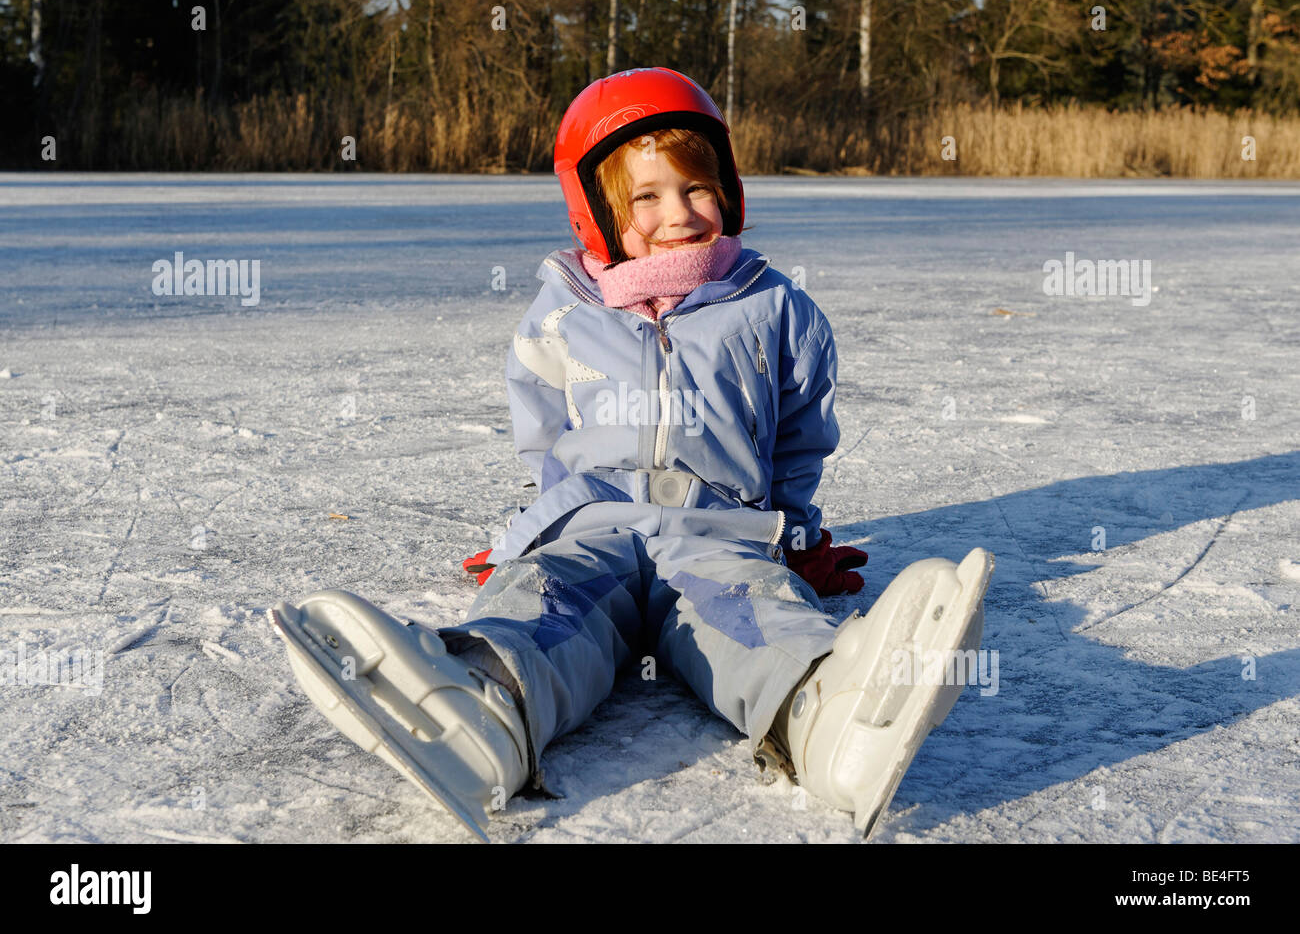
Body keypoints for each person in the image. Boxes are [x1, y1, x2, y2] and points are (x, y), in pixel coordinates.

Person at [269, 68, 992, 843]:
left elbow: (801, 433)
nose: (678, 213)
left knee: (752, 614)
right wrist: (535, 528)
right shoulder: (563, 312)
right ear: (598, 210)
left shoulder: (774, 306)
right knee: (546, 602)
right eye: (646, 197)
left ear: (729, 188)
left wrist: (799, 533)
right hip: (594, 523)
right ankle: (486, 705)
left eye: (696, 187)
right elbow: (544, 433)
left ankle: (824, 711)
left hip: (716, 530)